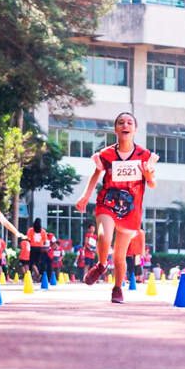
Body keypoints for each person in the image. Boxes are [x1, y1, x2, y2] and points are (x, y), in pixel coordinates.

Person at [76, 112, 157, 303]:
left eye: (129, 122)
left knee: (120, 256)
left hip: (131, 209)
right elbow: (96, 174)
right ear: (116, 129)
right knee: (104, 236)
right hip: (107, 202)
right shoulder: (106, 154)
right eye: (121, 123)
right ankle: (101, 264)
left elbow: (152, 184)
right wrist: (85, 195)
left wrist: (148, 176)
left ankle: (118, 288)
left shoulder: (145, 156)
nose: (125, 125)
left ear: (135, 129)